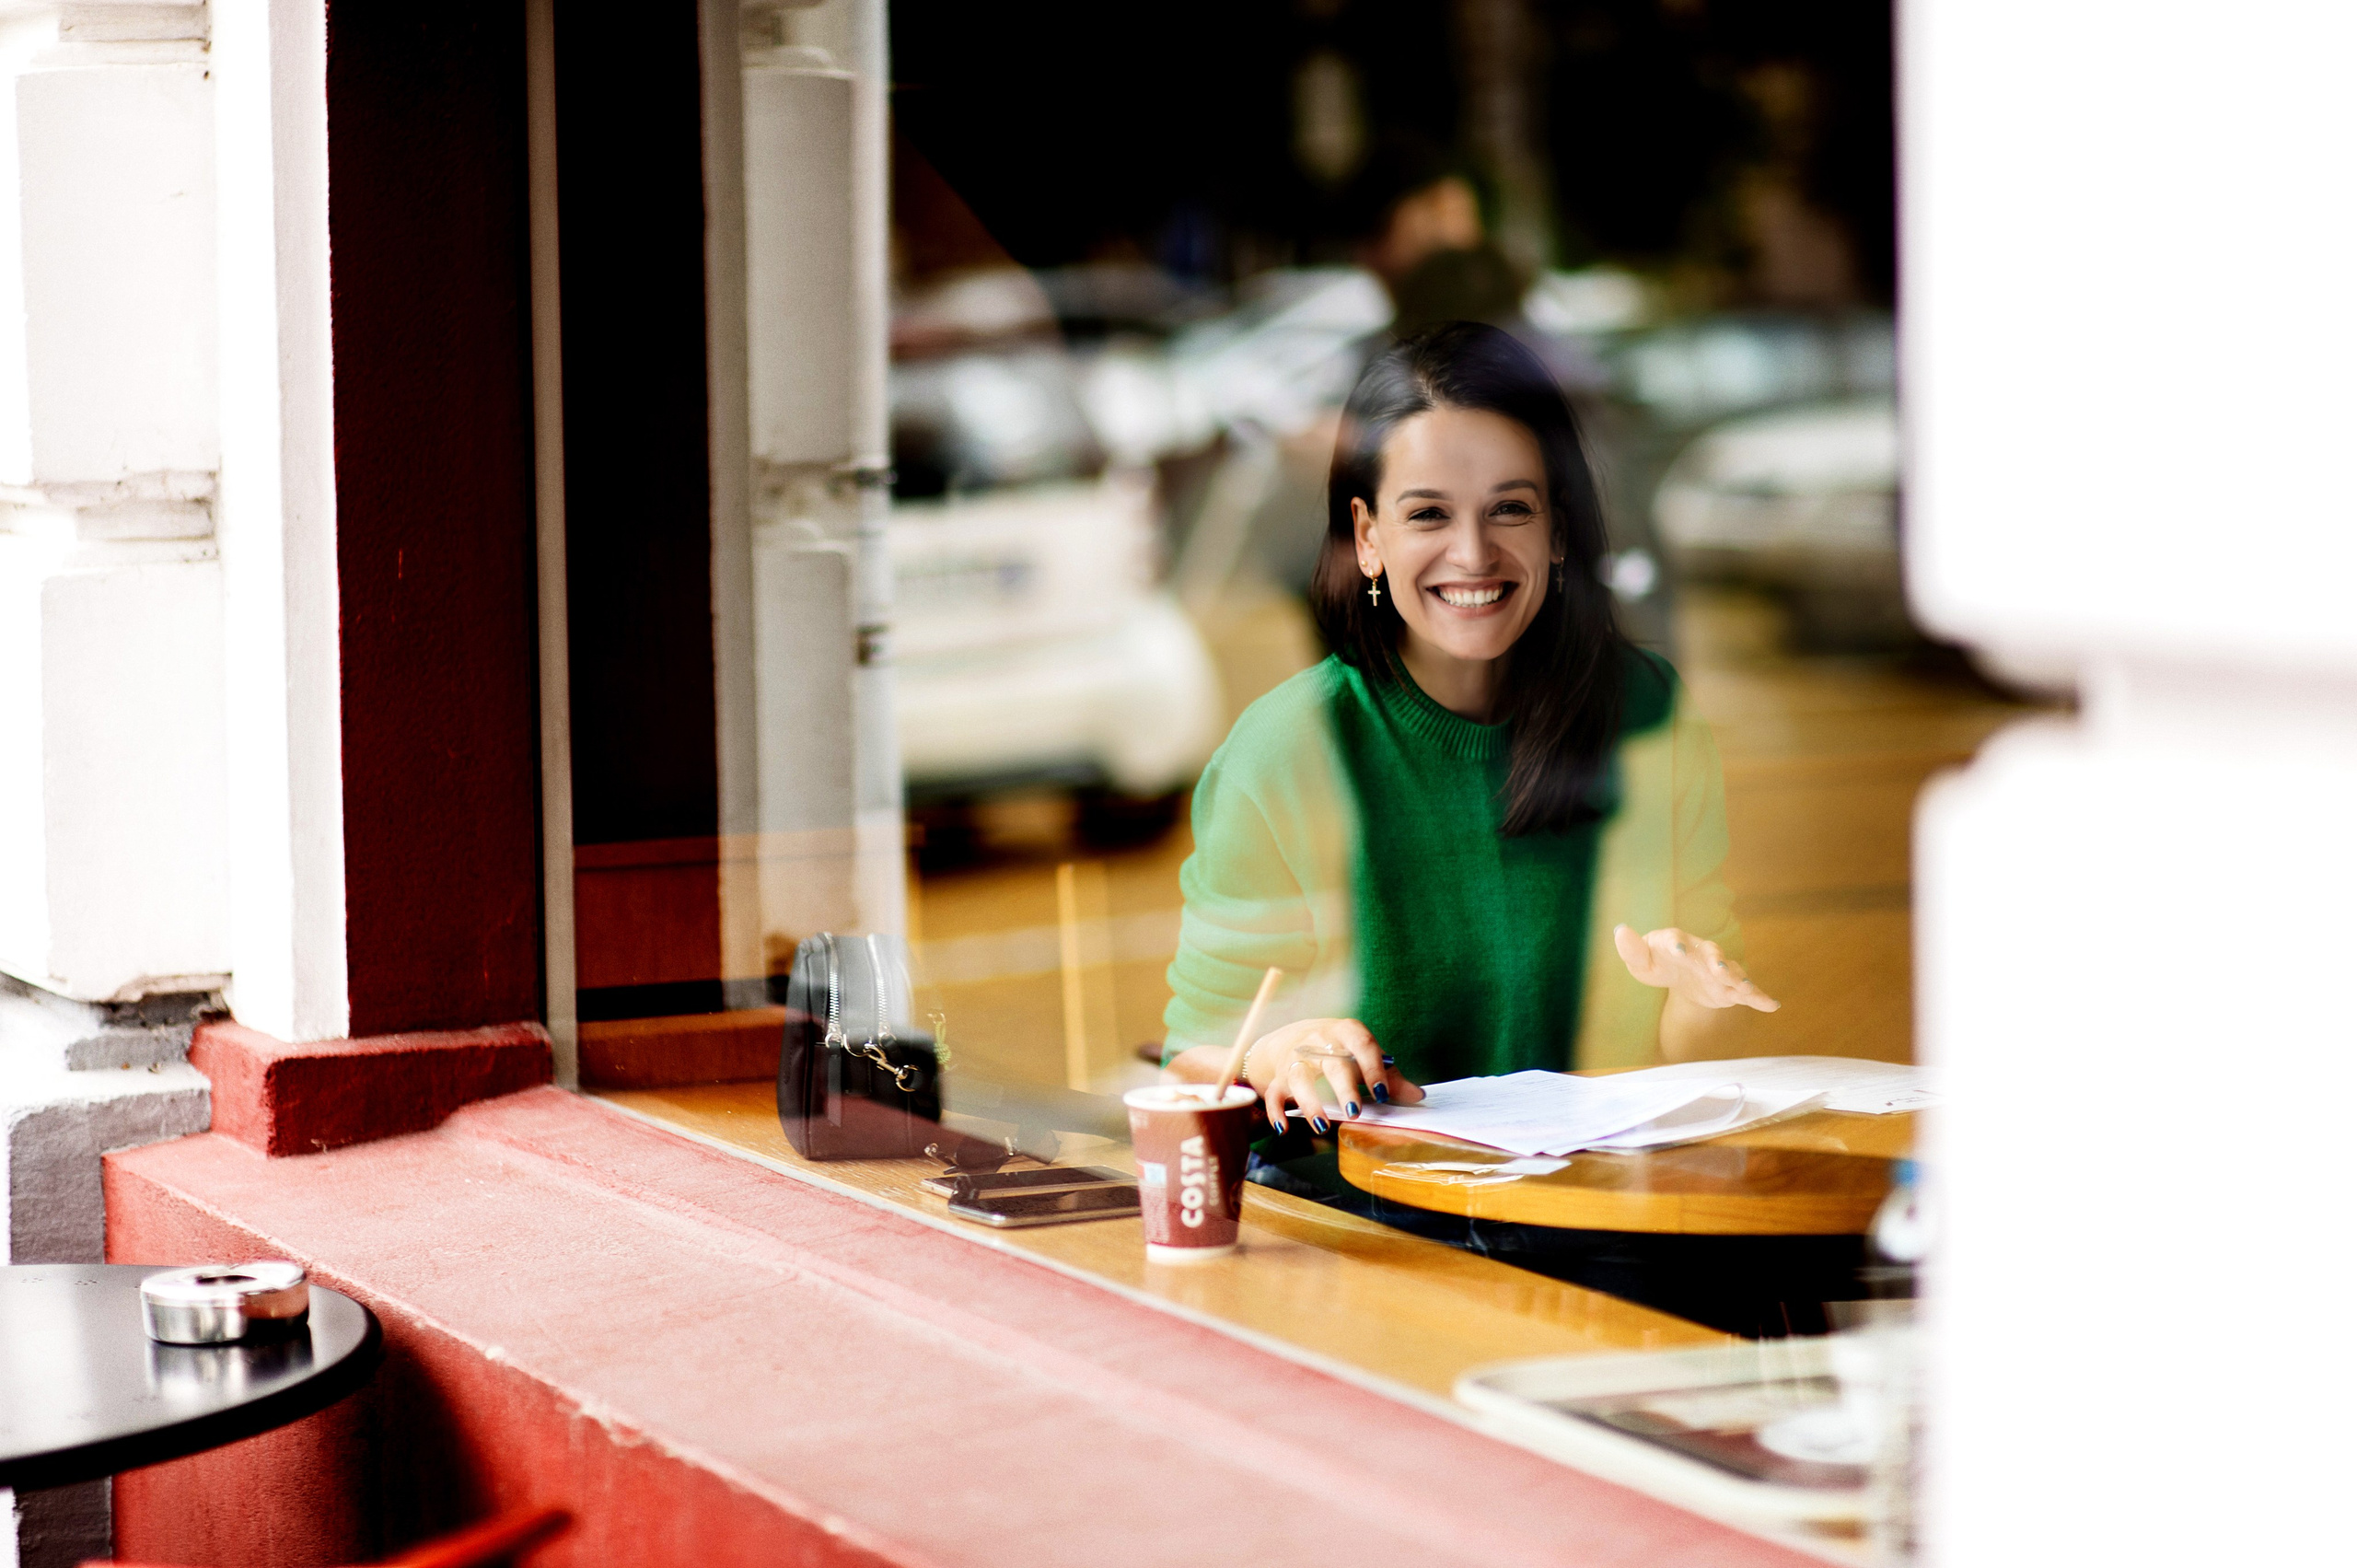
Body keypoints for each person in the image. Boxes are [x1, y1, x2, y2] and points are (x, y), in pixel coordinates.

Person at [1161, 321, 1778, 1133]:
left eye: (1509, 509)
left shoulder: (1645, 712)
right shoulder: (1286, 750)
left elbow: (1698, 1055)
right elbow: (1193, 1062)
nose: (1473, 552)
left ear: (1558, 529)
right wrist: (1278, 1053)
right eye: (1427, 514)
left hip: (1610, 1210)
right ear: (1368, 536)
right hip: (1378, 1226)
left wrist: (1700, 995)